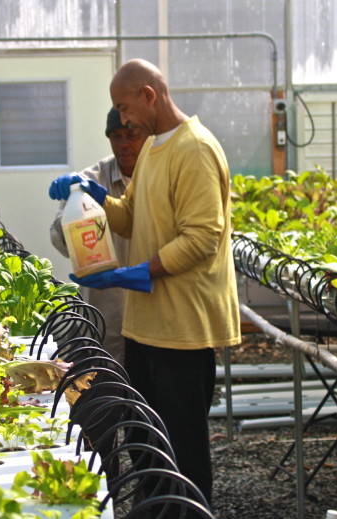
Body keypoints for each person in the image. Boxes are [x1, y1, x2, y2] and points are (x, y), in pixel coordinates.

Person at [49, 58, 240, 509]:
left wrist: (137, 273)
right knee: (146, 444)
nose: (123, 119)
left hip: (182, 330)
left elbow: (203, 237)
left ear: (149, 96)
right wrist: (92, 193)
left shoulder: (194, 149)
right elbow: (130, 217)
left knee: (183, 450)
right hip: (145, 327)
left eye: (124, 106)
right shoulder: (154, 148)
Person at [49, 107, 148, 364]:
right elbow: (61, 238)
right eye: (116, 136)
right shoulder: (90, 181)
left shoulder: (157, 177)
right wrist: (74, 200)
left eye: (131, 134)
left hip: (152, 315)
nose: (124, 143)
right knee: (104, 389)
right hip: (104, 312)